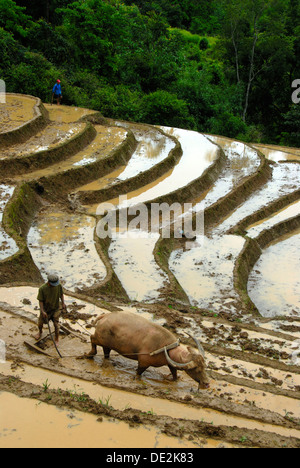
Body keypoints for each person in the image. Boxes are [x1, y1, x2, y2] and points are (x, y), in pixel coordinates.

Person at [34, 274, 67, 344]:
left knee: (56, 324)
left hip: (56, 308)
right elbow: (41, 301)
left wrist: (63, 303)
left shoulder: (58, 286)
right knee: (40, 323)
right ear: (48, 282)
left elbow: (61, 294)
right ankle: (40, 332)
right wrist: (42, 311)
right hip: (46, 309)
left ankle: (56, 338)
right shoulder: (42, 289)